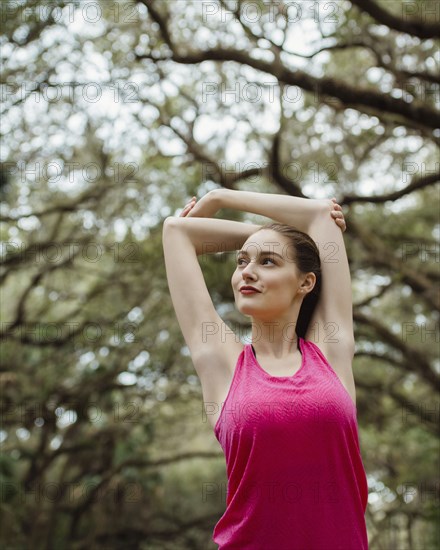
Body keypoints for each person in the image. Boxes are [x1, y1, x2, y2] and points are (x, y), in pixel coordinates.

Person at [162, 189, 368, 549]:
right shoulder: (221, 361)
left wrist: (223, 196)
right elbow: (177, 232)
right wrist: (259, 233)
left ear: (306, 282)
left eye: (268, 262)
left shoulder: (331, 349)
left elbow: (320, 216)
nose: (247, 273)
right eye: (241, 262)